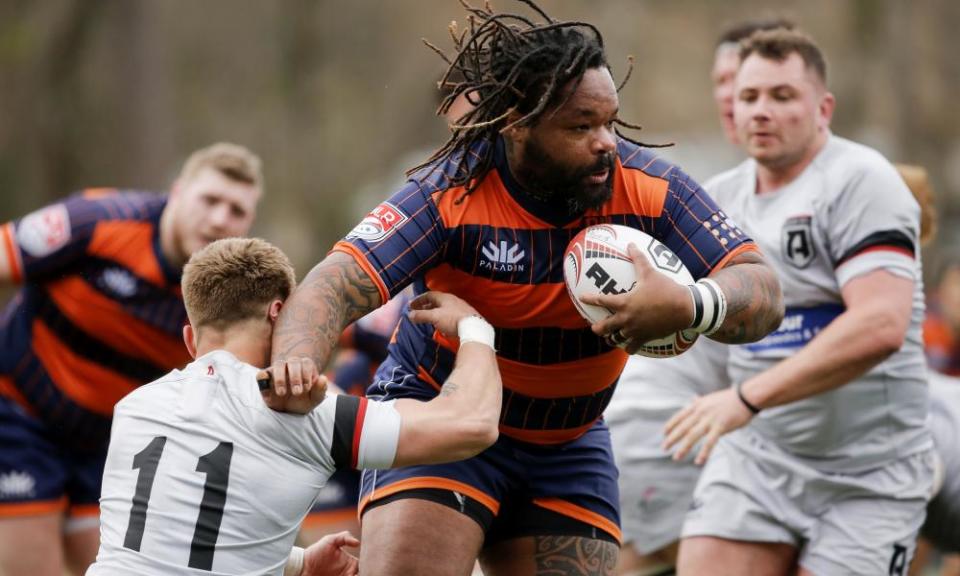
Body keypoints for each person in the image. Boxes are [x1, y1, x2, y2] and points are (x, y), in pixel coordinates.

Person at [268, 2, 783, 575]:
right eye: (581, 126)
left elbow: (761, 286)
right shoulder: (448, 192)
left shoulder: (649, 188)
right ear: (517, 123)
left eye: (611, 122)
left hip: (569, 442)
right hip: (440, 419)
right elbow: (332, 285)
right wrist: (294, 367)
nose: (607, 142)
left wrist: (691, 303)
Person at [663, 29, 934, 576]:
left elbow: (881, 323)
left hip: (870, 475)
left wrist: (747, 398)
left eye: (782, 96)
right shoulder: (718, 199)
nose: (761, 111)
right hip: (759, 461)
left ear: (823, 107)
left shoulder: (862, 180)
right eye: (749, 97)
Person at [87, 237, 502, 575]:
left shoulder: (133, 408)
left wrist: (300, 564)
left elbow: (171, 543)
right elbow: (473, 424)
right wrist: (476, 330)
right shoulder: (303, 412)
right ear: (280, 315)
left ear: (190, 341)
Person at [0, 142, 263, 576]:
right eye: (210, 200)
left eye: (236, 210)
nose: (219, 219)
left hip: (106, 442)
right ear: (178, 193)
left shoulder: (230, 294)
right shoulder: (99, 221)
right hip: (18, 412)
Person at [606, 19, 796, 576]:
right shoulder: (711, 203)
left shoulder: (826, 191)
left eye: (760, 85)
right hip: (673, 440)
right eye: (727, 82)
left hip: (671, 443)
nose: (735, 99)